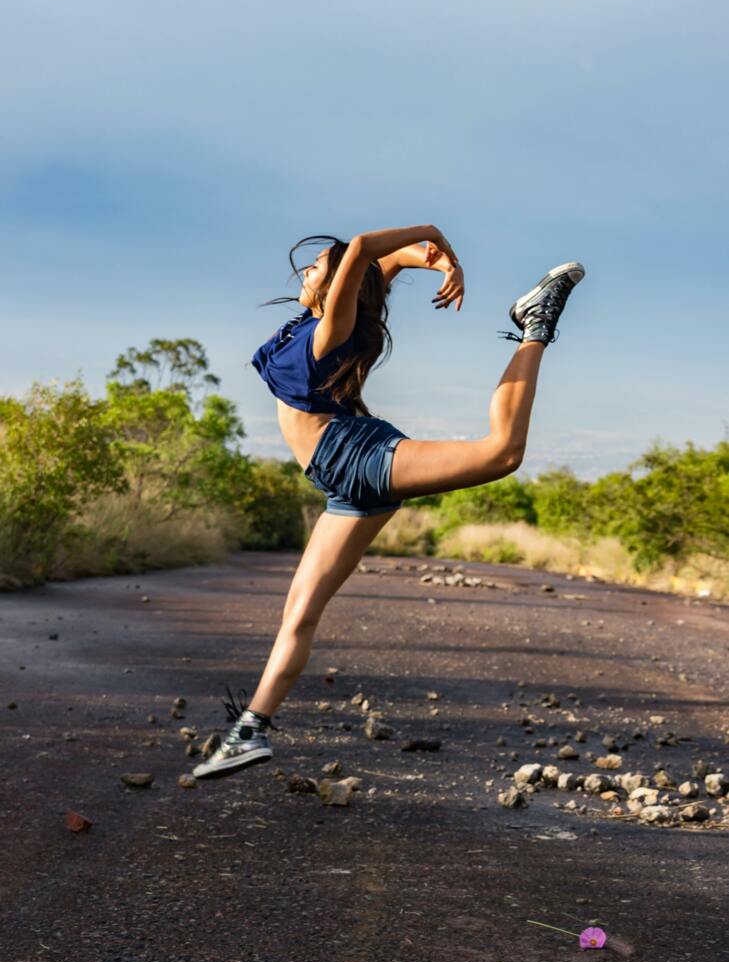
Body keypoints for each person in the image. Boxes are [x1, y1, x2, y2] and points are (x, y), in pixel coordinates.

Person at [192, 225, 584, 779]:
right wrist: (440, 262)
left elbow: (363, 251)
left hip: (355, 455)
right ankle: (249, 732)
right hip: (340, 482)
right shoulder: (322, 320)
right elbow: (388, 260)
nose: (305, 273)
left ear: (340, 285)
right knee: (299, 613)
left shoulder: (333, 328)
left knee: (502, 453)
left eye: (316, 268)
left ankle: (536, 324)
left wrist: (434, 233)